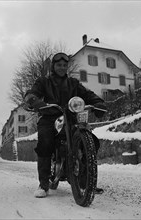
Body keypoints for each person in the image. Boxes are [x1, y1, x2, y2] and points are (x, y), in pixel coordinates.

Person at [24, 52, 106, 198]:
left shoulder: (73, 83)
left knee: (91, 141)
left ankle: (85, 182)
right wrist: (33, 100)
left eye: (64, 65)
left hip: (70, 118)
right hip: (49, 117)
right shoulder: (44, 82)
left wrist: (98, 102)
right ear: (53, 66)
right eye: (59, 65)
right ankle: (43, 184)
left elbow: (87, 94)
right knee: (45, 141)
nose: (62, 68)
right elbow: (32, 93)